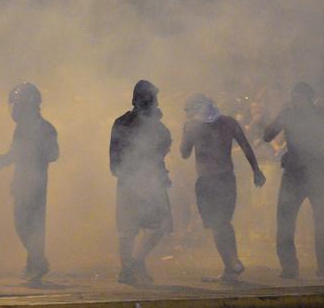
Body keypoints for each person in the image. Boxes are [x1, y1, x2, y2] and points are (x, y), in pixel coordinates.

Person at [180, 93, 266, 282]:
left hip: (208, 182)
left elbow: (184, 153)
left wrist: (187, 132)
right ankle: (230, 269)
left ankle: (233, 262)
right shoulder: (229, 122)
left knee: (218, 225)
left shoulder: (192, 126)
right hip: (227, 180)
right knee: (223, 223)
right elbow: (246, 146)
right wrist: (256, 171)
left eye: (189, 111)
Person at [0, 83, 58, 284]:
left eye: (19, 105)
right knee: (25, 225)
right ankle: (34, 263)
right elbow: (16, 151)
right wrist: (4, 160)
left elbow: (53, 154)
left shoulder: (46, 128)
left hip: (36, 184)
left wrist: (32, 152)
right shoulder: (22, 128)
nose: (16, 110)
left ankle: (38, 262)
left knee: (29, 226)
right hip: (22, 183)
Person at [109, 80, 172, 285]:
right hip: (131, 181)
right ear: (136, 100)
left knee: (159, 224)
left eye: (152, 99)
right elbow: (115, 156)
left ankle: (135, 262)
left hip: (149, 181)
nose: (151, 103)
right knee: (128, 228)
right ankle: (128, 268)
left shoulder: (155, 125)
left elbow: (162, 147)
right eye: (148, 99)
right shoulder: (122, 123)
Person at [263, 82, 324, 278]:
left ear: (309, 98)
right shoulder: (289, 114)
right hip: (295, 175)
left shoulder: (319, 115)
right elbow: (267, 135)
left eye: (299, 97)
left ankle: (321, 268)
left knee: (321, 223)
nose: (295, 100)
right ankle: (289, 267)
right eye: (293, 96)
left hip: (317, 175)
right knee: (285, 222)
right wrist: (280, 114)